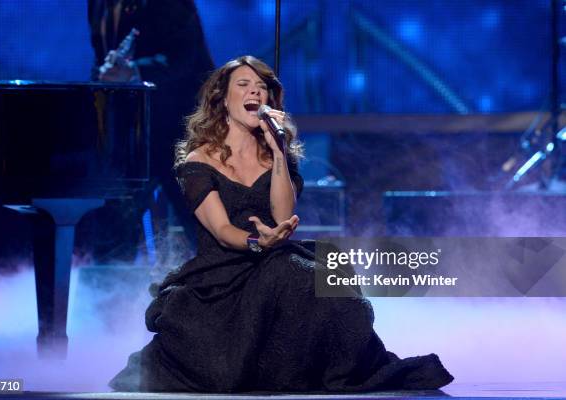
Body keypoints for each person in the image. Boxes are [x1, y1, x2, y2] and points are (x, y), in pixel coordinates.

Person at [109, 55, 453, 392]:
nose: (254, 93)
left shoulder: (277, 155)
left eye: (261, 87)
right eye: (243, 85)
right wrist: (257, 242)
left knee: (335, 292)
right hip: (224, 270)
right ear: (222, 98)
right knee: (289, 278)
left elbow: (284, 212)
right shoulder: (200, 160)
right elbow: (222, 231)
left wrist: (276, 153)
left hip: (277, 255)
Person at [83, 0, 214, 262]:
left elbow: (185, 56)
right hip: (131, 131)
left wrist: (134, 70)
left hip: (181, 126)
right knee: (113, 224)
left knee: (203, 221)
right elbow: (105, 58)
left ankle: (235, 293)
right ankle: (108, 295)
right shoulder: (97, 4)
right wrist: (105, 74)